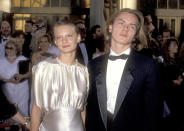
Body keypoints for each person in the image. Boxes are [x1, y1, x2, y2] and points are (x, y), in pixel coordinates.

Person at [85, 8, 162, 131]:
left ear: (135, 35)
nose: (125, 29)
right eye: (121, 23)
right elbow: (90, 110)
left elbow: (153, 116)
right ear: (110, 27)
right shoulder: (93, 65)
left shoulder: (148, 66)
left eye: (131, 26)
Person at [31, 20, 89, 131]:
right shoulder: (43, 68)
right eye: (59, 37)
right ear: (55, 41)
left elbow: (82, 110)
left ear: (78, 38)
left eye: (69, 36)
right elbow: (36, 108)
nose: (64, 40)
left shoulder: (83, 71)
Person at [0, 38, 30, 117]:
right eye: (7, 47)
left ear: (16, 49)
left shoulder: (23, 59)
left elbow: (30, 73)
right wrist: (8, 80)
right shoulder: (1, 61)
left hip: (22, 90)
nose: (8, 50)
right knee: (10, 112)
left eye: (11, 48)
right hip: (7, 89)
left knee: (23, 110)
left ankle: (24, 126)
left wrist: (22, 76)